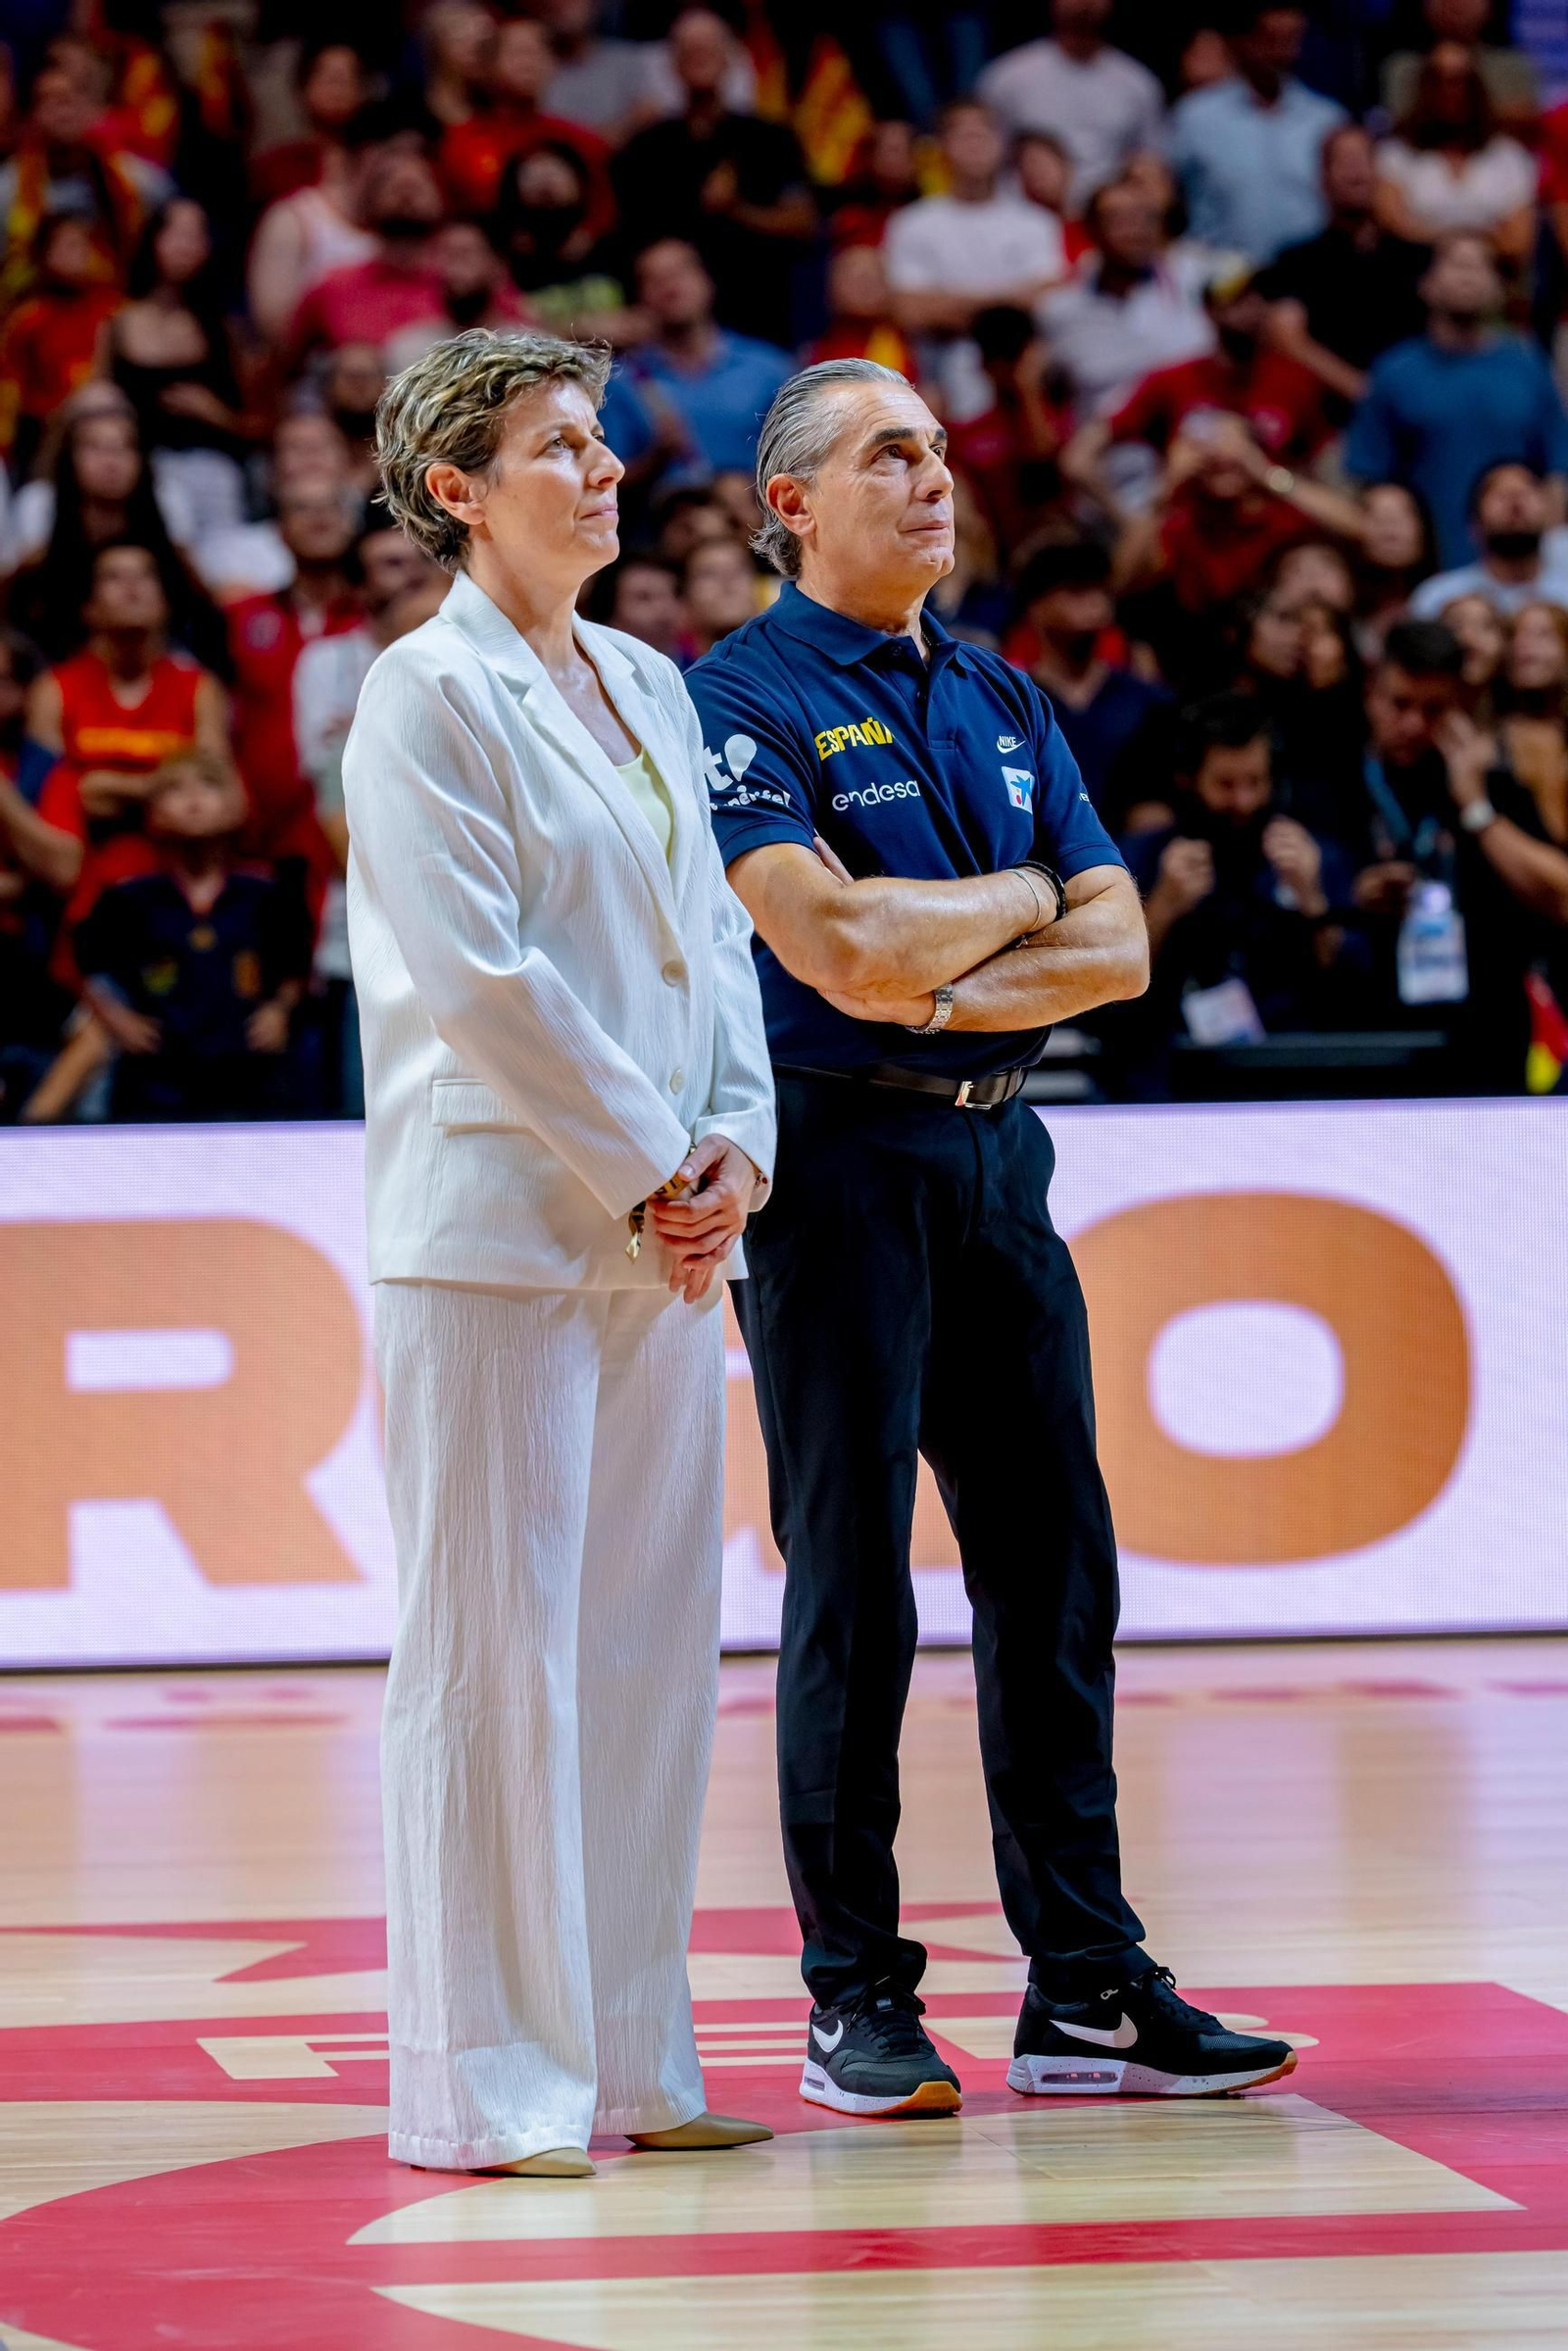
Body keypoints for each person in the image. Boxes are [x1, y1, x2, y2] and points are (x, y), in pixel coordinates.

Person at [685, 355, 1297, 2115]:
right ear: (793, 502)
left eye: (943, 450)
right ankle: (854, 1993)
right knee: (854, 1589)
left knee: (1055, 1575)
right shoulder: (741, 696)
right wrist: (1020, 905)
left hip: (998, 1157)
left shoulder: (1008, 692)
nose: (936, 477)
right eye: (893, 455)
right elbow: (839, 950)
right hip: (836, 1171)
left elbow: (1126, 952)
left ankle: (1086, 1986)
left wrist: (943, 962)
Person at [344, 326, 776, 2177]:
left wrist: (735, 1145)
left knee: (646, 1652)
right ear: (460, 488)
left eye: (604, 446)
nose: (608, 473)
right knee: (488, 1660)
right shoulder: (417, 696)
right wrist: (652, 1161)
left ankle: (632, 2057)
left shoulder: (647, 682)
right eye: (566, 447)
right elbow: (481, 982)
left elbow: (716, 943)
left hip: (667, 1238)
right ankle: (485, 2081)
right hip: (500, 1235)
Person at [1348, 617, 1568, 1088]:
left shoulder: (1489, 783)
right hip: (1363, 1037)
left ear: (1459, 707)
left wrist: (1475, 809)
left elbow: (1561, 895)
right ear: (1371, 691)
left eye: (1433, 710)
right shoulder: (1332, 780)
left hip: (1483, 1039)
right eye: (1399, 703)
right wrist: (1355, 896)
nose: (1412, 724)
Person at [1120, 691, 1358, 1091]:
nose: (1243, 801)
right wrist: (1161, 908)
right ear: (1188, 781)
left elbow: (1355, 996)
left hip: (1296, 1074)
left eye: (1255, 783)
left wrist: (1313, 899)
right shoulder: (1140, 859)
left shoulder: (1312, 857)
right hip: (1172, 1077)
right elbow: (1105, 1003)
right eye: (1226, 785)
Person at [75, 751, 313, 1122]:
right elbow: (85, 965)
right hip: (155, 1080)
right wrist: (116, 1018)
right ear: (152, 812)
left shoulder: (268, 896)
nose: (192, 799)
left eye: (209, 785)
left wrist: (280, 1010)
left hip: (249, 1077)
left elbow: (297, 966)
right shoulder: (127, 899)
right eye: (174, 789)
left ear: (237, 806)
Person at [25, 541, 229, 912]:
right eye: (113, 577)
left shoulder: (200, 689)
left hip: (181, 894)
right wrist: (166, 788)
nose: (131, 586)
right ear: (88, 608)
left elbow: (223, 801)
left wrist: (103, 784)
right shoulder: (53, 691)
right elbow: (42, 807)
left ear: (166, 602)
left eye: (144, 576)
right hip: (81, 895)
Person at [1346, 233, 1568, 570]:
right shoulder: (1394, 373)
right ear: (1426, 283)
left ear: (1498, 287)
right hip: (1425, 569)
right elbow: (1371, 481)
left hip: (1514, 569)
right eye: (1456, 264)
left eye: (1482, 266)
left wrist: (1541, 562)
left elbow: (1556, 473)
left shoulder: (1528, 366)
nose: (1468, 275)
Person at [612, 8, 815, 346]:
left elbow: (802, 222)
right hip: (671, 329)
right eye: (689, 49)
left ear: (730, 58)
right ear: (672, 63)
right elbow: (630, 243)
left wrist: (736, 209)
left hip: (761, 314)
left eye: (708, 47)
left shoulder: (771, 138)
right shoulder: (644, 148)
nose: (699, 57)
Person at [882, 98, 1065, 416]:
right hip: (939, 385)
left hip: (1025, 383)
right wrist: (1009, 304)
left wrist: (949, 303)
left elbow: (1048, 302)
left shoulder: (1038, 223)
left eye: (984, 134)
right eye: (963, 135)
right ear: (940, 147)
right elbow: (910, 310)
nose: (975, 144)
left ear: (1002, 145)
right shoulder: (910, 224)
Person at [224, 481, 364, 871]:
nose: (319, 518)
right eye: (302, 508)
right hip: (259, 837)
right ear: (279, 531)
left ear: (351, 525)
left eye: (331, 507)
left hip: (353, 831)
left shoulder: (376, 621)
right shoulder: (241, 618)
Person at [107, 197, 257, 544]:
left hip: (212, 470)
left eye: (196, 236)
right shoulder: (116, 321)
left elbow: (261, 425)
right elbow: (97, 401)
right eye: (174, 234)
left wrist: (214, 413)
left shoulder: (225, 329)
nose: (185, 247)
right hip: (137, 469)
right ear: (152, 240)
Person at [1260, 124, 1431, 411]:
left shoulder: (1418, 257)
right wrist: (1365, 392)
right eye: (1344, 161)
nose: (1356, 171)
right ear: (1322, 179)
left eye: (1364, 159)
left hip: (1415, 409)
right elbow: (1287, 339)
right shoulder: (1296, 260)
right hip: (1330, 416)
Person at [1167, 3, 1346, 265]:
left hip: (1309, 277)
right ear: (1244, 42)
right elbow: (1169, 196)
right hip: (1222, 278)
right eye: (1271, 39)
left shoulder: (1327, 119)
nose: (1282, 53)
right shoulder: (1196, 116)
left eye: (1291, 40)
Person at [1013, 537, 1171, 823]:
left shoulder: (1147, 701)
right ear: (1036, 606)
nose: (1093, 602)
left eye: (1099, 590)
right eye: (1076, 591)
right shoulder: (1014, 705)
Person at [622, 240, 792, 481]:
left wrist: (750, 493)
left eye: (680, 272)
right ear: (639, 297)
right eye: (654, 279)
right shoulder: (623, 379)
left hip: (755, 513)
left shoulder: (770, 368)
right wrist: (655, 458)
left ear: (708, 281)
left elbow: (804, 462)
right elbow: (607, 483)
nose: (670, 286)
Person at [974, 0, 1165, 207]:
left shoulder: (1138, 83)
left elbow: (1150, 164)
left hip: (1109, 222)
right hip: (1024, 214)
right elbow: (984, 157)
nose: (1085, 4)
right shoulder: (1008, 77)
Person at [437, 16, 612, 223]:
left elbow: (603, 217)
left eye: (538, 52)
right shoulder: (458, 143)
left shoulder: (584, 143)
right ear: (486, 67)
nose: (529, 61)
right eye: (517, 52)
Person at [1375, 47, 1535, 260]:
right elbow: (1394, 226)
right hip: (1417, 270)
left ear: (1476, 89)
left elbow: (1518, 241)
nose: (1449, 92)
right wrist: (1475, 236)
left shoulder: (1509, 157)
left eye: (1459, 81)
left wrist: (1440, 237)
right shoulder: (1396, 154)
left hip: (1489, 273)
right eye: (1438, 81)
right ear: (1425, 88)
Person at [0, 214, 122, 478]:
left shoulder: (112, 310)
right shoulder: (28, 319)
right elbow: (9, 389)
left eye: (83, 245)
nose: (78, 254)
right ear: (44, 255)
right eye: (67, 246)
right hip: (42, 439)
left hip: (108, 432)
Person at [1408, 462, 1568, 618]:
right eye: (1502, 496)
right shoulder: (1438, 599)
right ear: (1473, 525)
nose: (1516, 503)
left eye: (1525, 493)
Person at [680, 534, 761, 658]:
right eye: (709, 574)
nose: (728, 582)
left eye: (739, 571)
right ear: (685, 596)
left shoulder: (792, 662)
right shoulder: (664, 671)